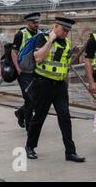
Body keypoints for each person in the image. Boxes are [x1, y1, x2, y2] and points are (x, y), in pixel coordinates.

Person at [25, 17, 85, 163]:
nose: (66, 33)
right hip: (43, 84)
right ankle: (30, 147)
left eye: (68, 30)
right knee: (39, 117)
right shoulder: (42, 38)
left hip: (59, 86)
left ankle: (70, 152)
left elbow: (64, 66)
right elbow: (38, 58)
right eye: (64, 30)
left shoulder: (67, 43)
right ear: (55, 27)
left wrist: (65, 84)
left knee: (65, 118)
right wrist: (50, 41)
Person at [11, 12, 41, 131]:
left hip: (36, 71)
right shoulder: (21, 34)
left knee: (36, 98)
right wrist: (18, 69)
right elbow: (13, 52)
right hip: (24, 71)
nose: (36, 24)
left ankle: (20, 113)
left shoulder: (40, 34)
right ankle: (30, 126)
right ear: (28, 22)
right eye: (34, 22)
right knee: (29, 98)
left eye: (37, 22)